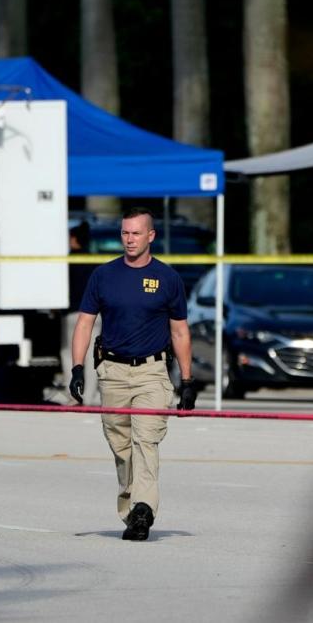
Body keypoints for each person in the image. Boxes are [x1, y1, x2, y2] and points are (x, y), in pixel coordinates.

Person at [69, 206, 199, 541]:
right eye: (125, 233)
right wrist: (78, 367)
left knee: (146, 441)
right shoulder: (103, 275)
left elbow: (180, 332)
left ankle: (144, 509)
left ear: (150, 236)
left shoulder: (168, 279)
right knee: (121, 446)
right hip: (112, 371)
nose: (129, 239)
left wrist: (187, 380)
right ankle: (130, 508)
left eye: (136, 233)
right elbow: (85, 322)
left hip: (152, 373)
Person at [60, 221, 100, 405]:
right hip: (95, 314)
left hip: (73, 313)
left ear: (74, 239)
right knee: (92, 354)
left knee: (69, 353)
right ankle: (90, 396)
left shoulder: (66, 262)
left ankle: (74, 394)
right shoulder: (95, 262)